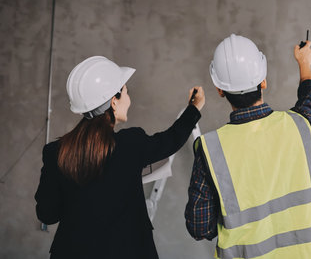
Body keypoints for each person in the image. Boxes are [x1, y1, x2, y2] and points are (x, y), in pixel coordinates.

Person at [35, 56, 205, 259]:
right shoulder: (129, 144)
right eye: (126, 91)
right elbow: (170, 140)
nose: (129, 99)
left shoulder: (55, 152)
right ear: (114, 102)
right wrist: (194, 107)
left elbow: (47, 214)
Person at [185, 34, 311, 258]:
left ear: (220, 90)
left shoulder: (210, 148)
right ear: (264, 82)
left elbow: (199, 228)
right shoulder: (301, 124)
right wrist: (304, 62)